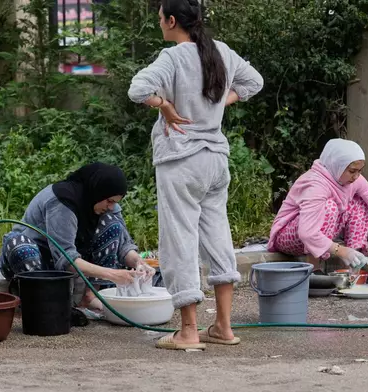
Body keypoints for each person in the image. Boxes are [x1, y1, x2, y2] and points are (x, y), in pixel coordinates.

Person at [128, 0, 263, 349]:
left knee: (179, 239)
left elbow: (138, 89)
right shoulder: (222, 52)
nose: (159, 24)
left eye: (160, 19)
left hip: (181, 160)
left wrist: (166, 106)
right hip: (215, 159)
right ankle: (223, 327)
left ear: (172, 21)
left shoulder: (172, 58)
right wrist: (219, 104)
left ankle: (188, 331)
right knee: (218, 234)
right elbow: (254, 83)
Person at [0, 162, 155, 310]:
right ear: (97, 191)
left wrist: (139, 263)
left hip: (68, 262)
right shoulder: (63, 201)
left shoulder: (106, 203)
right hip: (37, 259)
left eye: (115, 202)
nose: (111, 206)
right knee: (20, 247)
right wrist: (113, 274)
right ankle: (38, 303)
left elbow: (123, 246)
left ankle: (91, 294)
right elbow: (66, 259)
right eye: (109, 201)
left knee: (112, 224)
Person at [268, 138, 368, 270]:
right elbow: (307, 233)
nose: (356, 176)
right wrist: (341, 251)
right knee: (329, 207)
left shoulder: (354, 180)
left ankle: (354, 265)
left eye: (360, 171)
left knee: (358, 204)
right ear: (337, 165)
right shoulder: (316, 184)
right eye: (352, 171)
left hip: (317, 234)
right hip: (290, 238)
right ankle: (315, 271)